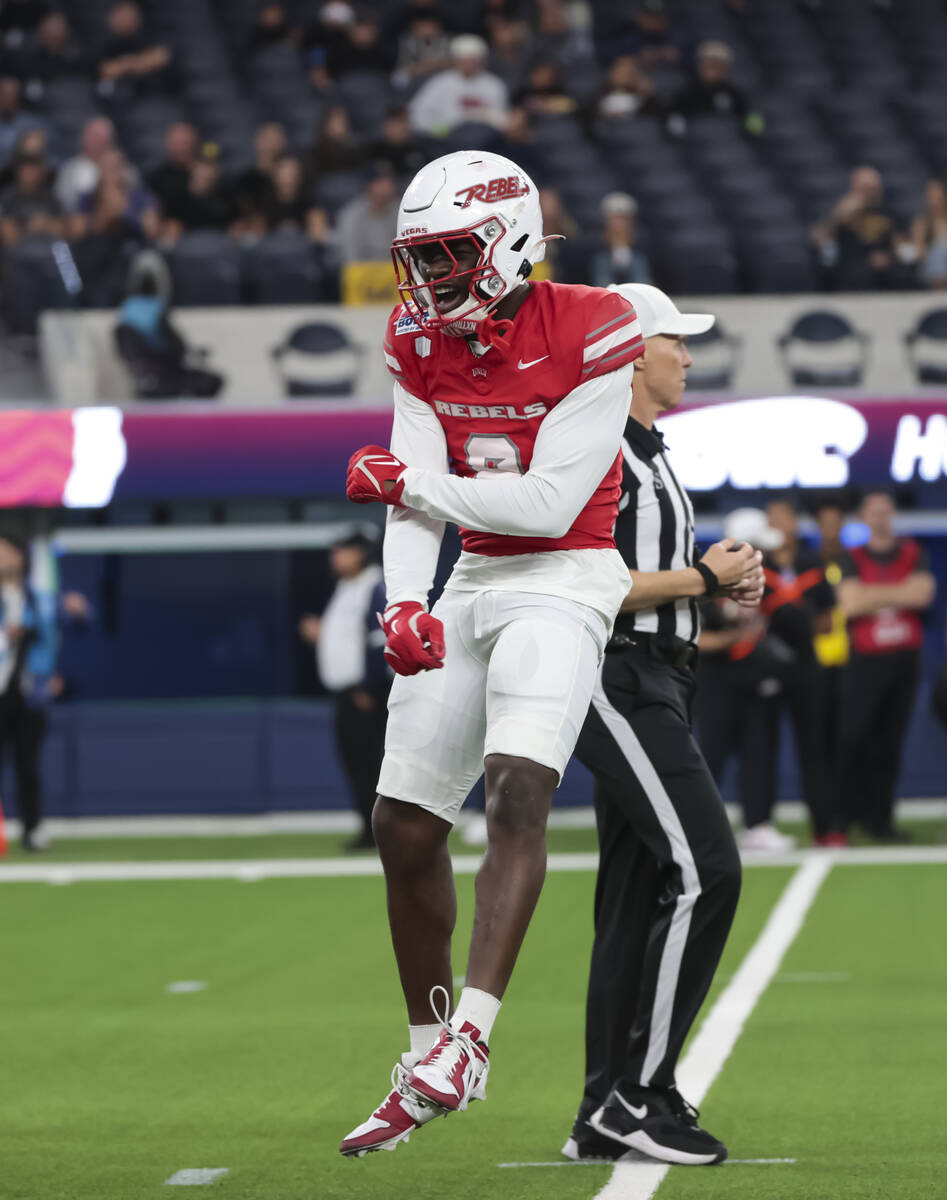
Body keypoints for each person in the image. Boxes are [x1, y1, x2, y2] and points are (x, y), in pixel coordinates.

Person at [338, 149, 647, 1157]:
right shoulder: (415, 335)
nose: (424, 281)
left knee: (518, 786)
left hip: (567, 572)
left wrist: (413, 494)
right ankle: (426, 1047)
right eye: (417, 259)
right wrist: (398, 602)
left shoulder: (597, 322)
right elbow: (405, 479)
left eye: (446, 256)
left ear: (510, 242)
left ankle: (472, 1035)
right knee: (402, 825)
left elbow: (550, 503)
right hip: (471, 575)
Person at [563, 283, 762, 1166]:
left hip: (660, 675)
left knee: (634, 897)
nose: (686, 354)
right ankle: (638, 1097)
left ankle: (603, 1104)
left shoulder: (650, 449)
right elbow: (588, 580)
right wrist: (705, 580)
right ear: (629, 350)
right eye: (674, 341)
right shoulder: (599, 445)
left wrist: (718, 584)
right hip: (615, 673)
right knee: (705, 869)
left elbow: (661, 574)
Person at [696, 508, 797, 854]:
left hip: (756, 681)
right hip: (717, 682)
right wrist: (736, 637)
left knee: (760, 752)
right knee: (710, 756)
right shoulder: (704, 580)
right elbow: (696, 638)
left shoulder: (766, 580)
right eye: (756, 546)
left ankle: (758, 824)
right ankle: (699, 829)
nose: (762, 554)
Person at [836, 492, 936, 840]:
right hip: (864, 660)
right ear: (863, 516)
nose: (879, 517)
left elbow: (922, 594)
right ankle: (844, 820)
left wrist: (871, 594)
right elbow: (850, 603)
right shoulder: (852, 557)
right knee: (854, 738)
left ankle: (881, 822)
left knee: (889, 744)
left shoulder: (914, 552)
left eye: (885, 510)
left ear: (893, 514)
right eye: (873, 511)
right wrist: (899, 591)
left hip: (903, 661)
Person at [298, 532, 388, 851]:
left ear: (361, 553)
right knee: (356, 763)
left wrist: (368, 686)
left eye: (343, 550)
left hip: (365, 693)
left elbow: (380, 640)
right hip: (349, 692)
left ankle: (380, 832)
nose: (335, 556)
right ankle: (369, 828)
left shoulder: (374, 585)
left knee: (371, 763)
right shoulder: (346, 588)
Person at [758, 499, 839, 845]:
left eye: (783, 518)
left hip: (807, 666)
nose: (777, 524)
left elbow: (828, 619)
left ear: (794, 523)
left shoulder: (812, 564)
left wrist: (802, 620)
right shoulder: (755, 565)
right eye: (771, 518)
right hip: (765, 665)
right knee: (762, 747)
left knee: (815, 749)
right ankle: (760, 826)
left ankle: (825, 827)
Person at [0, 535, 82, 853]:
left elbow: (66, 630)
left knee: (27, 765)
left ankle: (32, 829)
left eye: (7, 551)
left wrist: (54, 675)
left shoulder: (40, 599)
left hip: (28, 693)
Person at [114, 250, 224, 399]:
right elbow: (175, 346)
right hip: (163, 375)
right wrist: (190, 353)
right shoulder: (156, 311)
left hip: (145, 377)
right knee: (212, 382)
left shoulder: (126, 310)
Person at [810, 166, 907, 292]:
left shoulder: (889, 213)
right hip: (850, 269)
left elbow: (902, 245)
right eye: (866, 189)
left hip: (884, 271)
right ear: (855, 188)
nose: (870, 193)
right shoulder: (840, 211)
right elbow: (819, 239)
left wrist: (889, 257)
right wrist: (838, 217)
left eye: (874, 188)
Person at [408, 34, 508, 137]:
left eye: (472, 60)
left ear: (481, 60)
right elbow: (417, 114)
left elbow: (502, 120)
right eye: (463, 60)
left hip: (483, 141)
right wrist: (438, 129)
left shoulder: (494, 85)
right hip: (446, 139)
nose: (468, 65)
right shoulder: (440, 83)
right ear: (455, 60)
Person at [97, 1, 174, 98]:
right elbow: (106, 70)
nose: (125, 19)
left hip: (151, 94)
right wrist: (137, 63)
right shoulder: (103, 42)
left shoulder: (148, 35)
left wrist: (125, 65)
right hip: (115, 98)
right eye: (121, 15)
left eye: (129, 15)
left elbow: (160, 56)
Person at [335, 163, 399, 263]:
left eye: (389, 182)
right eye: (380, 182)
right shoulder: (352, 214)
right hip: (364, 272)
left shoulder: (401, 211)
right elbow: (351, 257)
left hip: (396, 272)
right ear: (368, 185)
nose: (386, 187)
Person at [55, 116, 116, 213]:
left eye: (103, 137)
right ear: (85, 137)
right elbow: (64, 204)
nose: (99, 141)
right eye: (96, 136)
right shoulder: (70, 169)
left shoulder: (122, 169)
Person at [591, 192, 652, 288]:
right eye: (614, 218)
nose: (619, 224)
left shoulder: (643, 243)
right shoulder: (595, 244)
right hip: (604, 289)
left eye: (623, 219)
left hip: (636, 286)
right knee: (602, 261)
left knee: (638, 261)